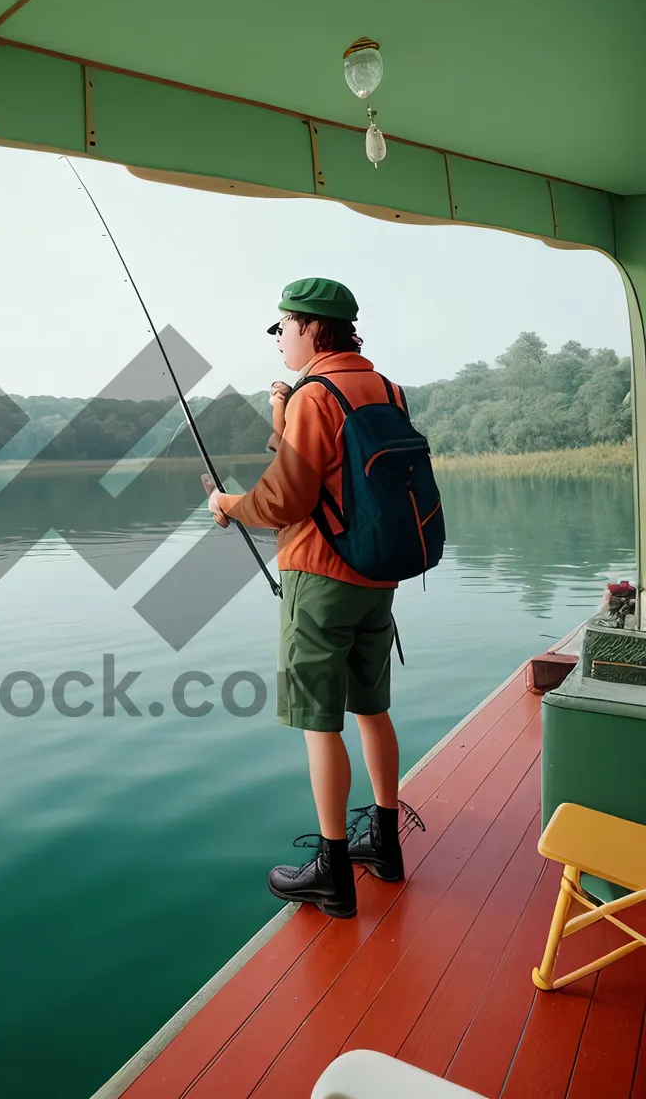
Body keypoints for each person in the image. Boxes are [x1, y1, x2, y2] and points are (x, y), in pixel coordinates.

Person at [205, 277, 408, 920]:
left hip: (319, 576)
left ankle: (331, 871)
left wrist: (226, 506)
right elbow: (324, 469)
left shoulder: (315, 396)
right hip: (376, 573)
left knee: (319, 720)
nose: (278, 339)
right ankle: (386, 843)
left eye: (282, 327)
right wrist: (282, 412)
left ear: (311, 328)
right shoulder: (385, 389)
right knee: (371, 706)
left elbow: (285, 499)